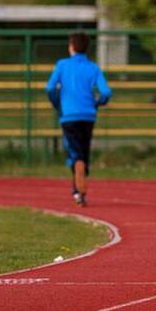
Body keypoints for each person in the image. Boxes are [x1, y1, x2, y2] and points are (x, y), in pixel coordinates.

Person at [46, 31, 112, 207]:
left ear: (72, 47)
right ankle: (80, 184)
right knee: (84, 148)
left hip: (69, 115)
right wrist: (98, 103)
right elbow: (106, 92)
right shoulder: (94, 68)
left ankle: (77, 190)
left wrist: (57, 104)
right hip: (88, 115)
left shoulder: (62, 65)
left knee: (74, 152)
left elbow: (50, 88)